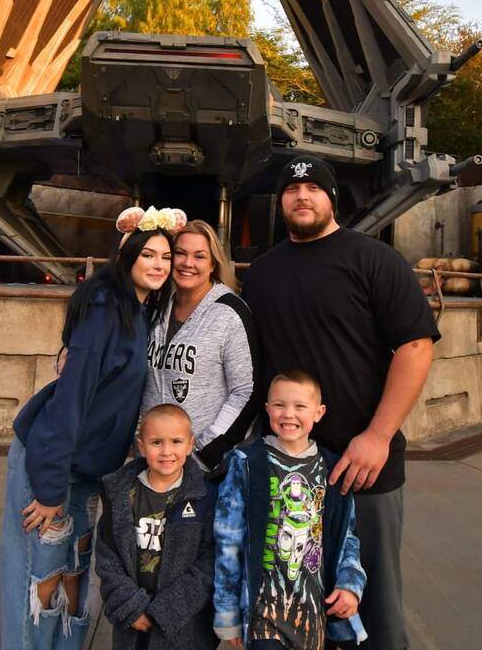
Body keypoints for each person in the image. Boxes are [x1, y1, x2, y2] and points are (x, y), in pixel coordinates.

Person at [241, 156, 438, 650]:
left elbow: (416, 346)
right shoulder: (262, 274)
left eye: (313, 187)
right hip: (289, 471)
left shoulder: (373, 260)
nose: (301, 196)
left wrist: (378, 436)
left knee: (374, 613)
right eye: (291, 189)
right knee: (296, 608)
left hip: (362, 469)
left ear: (332, 199)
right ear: (280, 200)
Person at [1, 206, 180, 650]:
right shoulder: (105, 309)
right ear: (127, 258)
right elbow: (71, 400)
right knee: (38, 583)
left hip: (87, 471)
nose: (159, 265)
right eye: (149, 256)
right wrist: (48, 487)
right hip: (52, 464)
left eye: (166, 257)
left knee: (74, 580)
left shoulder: (137, 312)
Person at [213, 370, 366, 649]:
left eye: (299, 406)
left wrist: (350, 585)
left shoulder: (332, 470)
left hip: (313, 614)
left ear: (318, 413)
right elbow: (227, 540)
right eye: (280, 405)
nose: (288, 414)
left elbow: (348, 538)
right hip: (264, 614)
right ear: (268, 409)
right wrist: (226, 611)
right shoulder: (247, 464)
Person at [95, 404, 218, 650]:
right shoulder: (119, 493)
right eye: (156, 442)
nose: (166, 451)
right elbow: (108, 559)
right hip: (133, 626)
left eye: (175, 441)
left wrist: (165, 612)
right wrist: (130, 608)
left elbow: (210, 563)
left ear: (190, 444)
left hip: (186, 628)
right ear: (141, 446)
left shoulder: (205, 497)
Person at [145, 219, 257, 471]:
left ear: (212, 264)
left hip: (201, 466)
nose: (187, 263)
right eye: (180, 253)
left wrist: (207, 451)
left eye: (199, 256)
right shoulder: (155, 307)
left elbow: (245, 392)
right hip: (154, 460)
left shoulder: (231, 313)